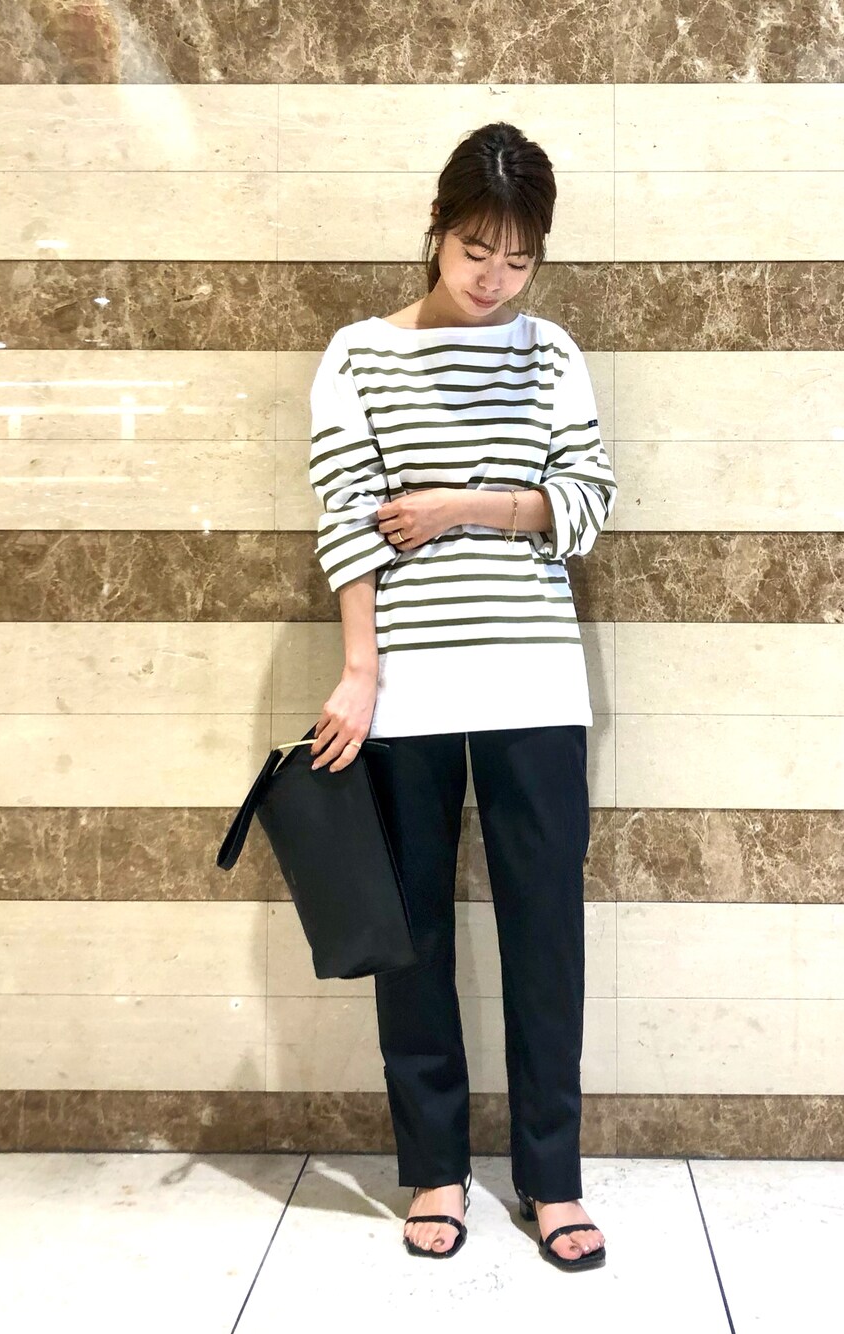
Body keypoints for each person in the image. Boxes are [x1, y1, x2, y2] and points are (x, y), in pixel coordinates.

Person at [306, 121, 617, 1272]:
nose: (493, 278)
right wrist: (360, 671)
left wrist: (458, 505)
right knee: (413, 935)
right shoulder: (358, 354)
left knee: (546, 931)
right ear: (435, 229)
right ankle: (435, 1166)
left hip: (533, 673)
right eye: (475, 250)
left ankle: (551, 1175)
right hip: (408, 680)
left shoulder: (551, 354)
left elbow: (585, 501)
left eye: (518, 260)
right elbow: (346, 518)